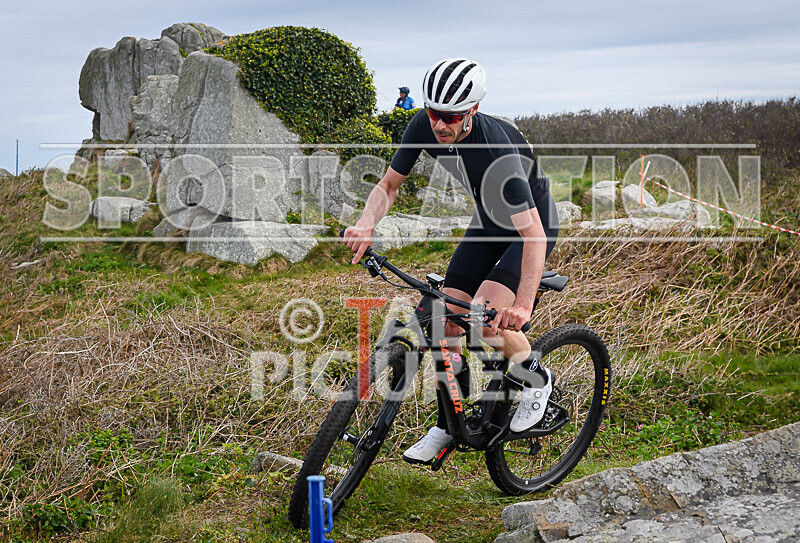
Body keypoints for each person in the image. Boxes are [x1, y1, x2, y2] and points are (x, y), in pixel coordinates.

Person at [344, 58, 560, 463]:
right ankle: (450, 425)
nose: (440, 125)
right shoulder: (423, 125)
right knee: (443, 322)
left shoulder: (497, 152)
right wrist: (365, 223)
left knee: (483, 317)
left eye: (452, 117)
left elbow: (533, 235)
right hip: (488, 220)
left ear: (472, 111)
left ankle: (536, 378)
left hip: (531, 226)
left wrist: (522, 306)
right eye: (434, 114)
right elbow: (389, 184)